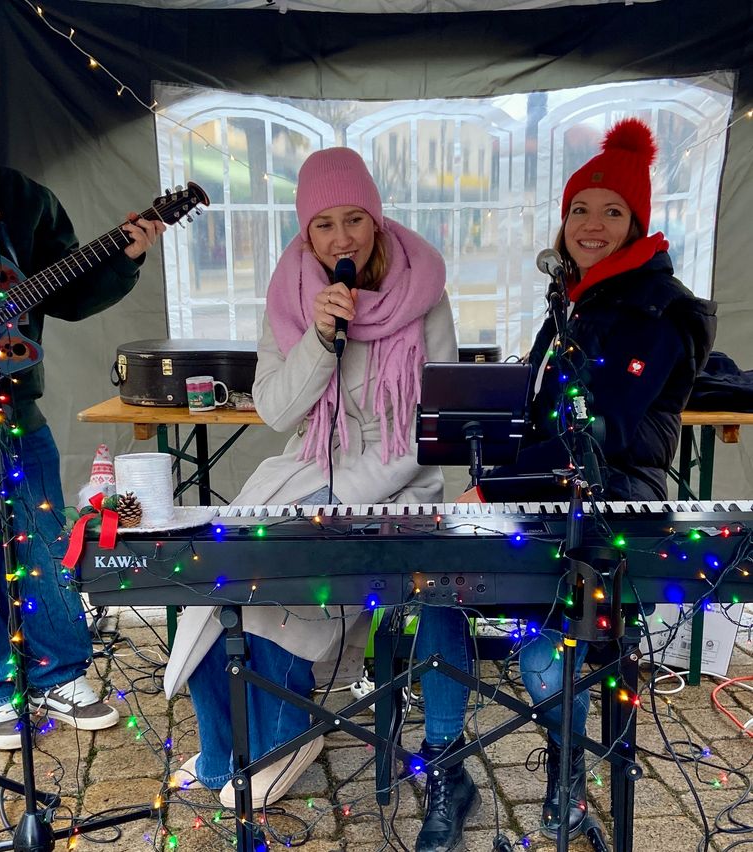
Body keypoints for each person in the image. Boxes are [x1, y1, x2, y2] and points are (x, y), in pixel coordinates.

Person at [421, 117, 716, 847]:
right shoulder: (575, 303)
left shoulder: (657, 311)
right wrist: (487, 449)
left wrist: (496, 489)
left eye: (612, 211)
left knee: (546, 654)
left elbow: (603, 432)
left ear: (636, 223)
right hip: (549, 492)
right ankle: (446, 769)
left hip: (614, 506)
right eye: (580, 208)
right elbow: (547, 418)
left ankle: (568, 784)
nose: (591, 225)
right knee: (435, 587)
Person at [164, 147, 458, 810]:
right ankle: (224, 748)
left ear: (375, 219)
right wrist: (320, 341)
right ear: (306, 231)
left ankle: (286, 735)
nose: (341, 237)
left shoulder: (424, 292)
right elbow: (277, 410)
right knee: (215, 571)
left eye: (354, 219)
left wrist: (341, 493)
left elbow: (431, 428)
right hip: (305, 468)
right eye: (324, 224)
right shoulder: (291, 294)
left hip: (395, 484)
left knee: (279, 572)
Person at [0, 27, 165, 750]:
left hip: (14, 407)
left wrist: (124, 258)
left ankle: (60, 672)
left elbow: (70, 293)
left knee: (45, 542)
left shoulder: (18, 198)